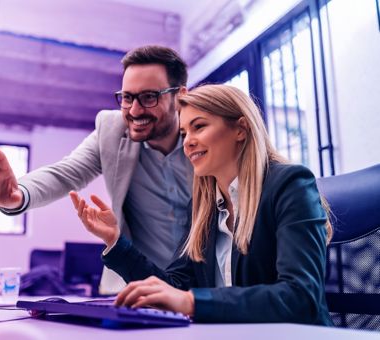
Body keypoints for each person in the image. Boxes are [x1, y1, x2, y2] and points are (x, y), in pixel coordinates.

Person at [69, 84, 333, 324]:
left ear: (240, 129)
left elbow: (300, 296)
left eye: (199, 126)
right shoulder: (203, 207)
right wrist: (115, 241)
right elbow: (174, 287)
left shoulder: (290, 185)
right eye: (184, 132)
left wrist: (192, 302)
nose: (188, 141)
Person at [0, 45, 193, 292]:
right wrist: (16, 195)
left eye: (149, 97)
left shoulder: (208, 136)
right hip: (135, 287)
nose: (134, 110)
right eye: (127, 97)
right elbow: (66, 172)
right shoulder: (112, 130)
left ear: (179, 96)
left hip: (204, 290)